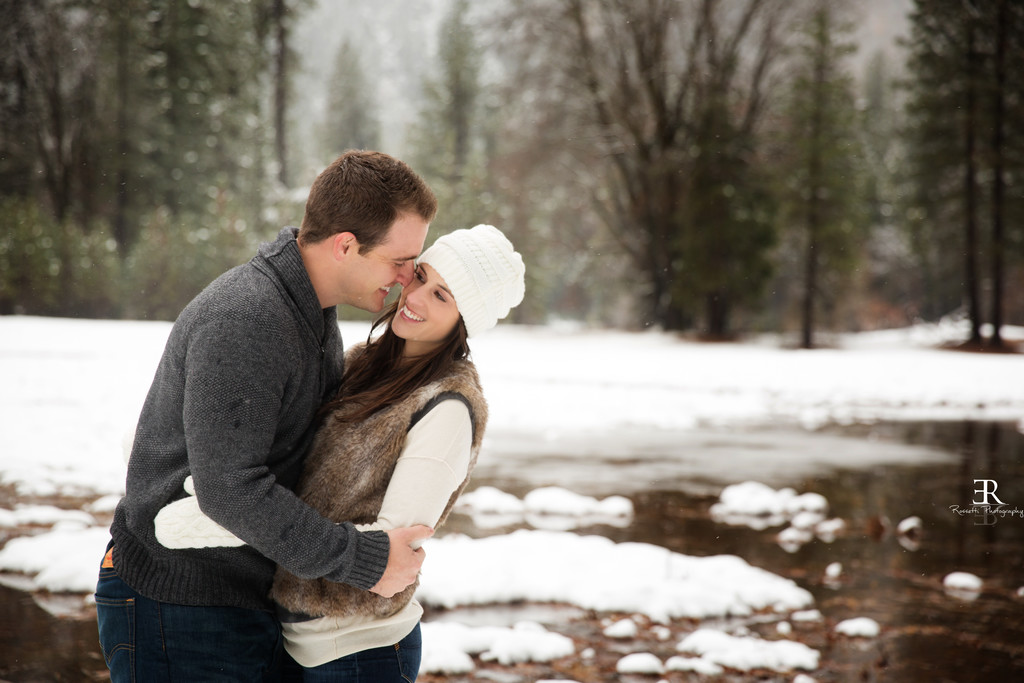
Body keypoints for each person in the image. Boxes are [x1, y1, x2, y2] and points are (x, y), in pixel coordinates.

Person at [95, 150, 439, 682]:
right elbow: (231, 488)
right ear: (346, 245)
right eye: (401, 260)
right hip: (180, 603)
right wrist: (363, 559)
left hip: (236, 596)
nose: (407, 277)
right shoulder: (248, 319)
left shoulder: (309, 314)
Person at [152, 224, 527, 682]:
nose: (416, 297)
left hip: (359, 650)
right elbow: (294, 475)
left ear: (464, 322)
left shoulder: (446, 409)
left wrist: (218, 521)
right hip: (295, 643)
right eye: (421, 276)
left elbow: (391, 555)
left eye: (443, 297)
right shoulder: (360, 365)